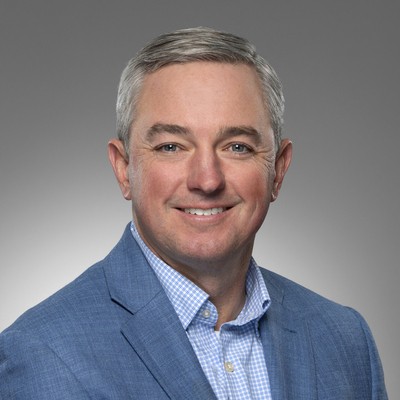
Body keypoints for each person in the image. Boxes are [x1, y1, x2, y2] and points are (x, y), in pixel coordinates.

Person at [0, 27, 387, 399]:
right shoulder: (41, 354)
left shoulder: (345, 340)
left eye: (237, 147)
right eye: (171, 147)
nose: (207, 179)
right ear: (124, 169)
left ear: (278, 170)